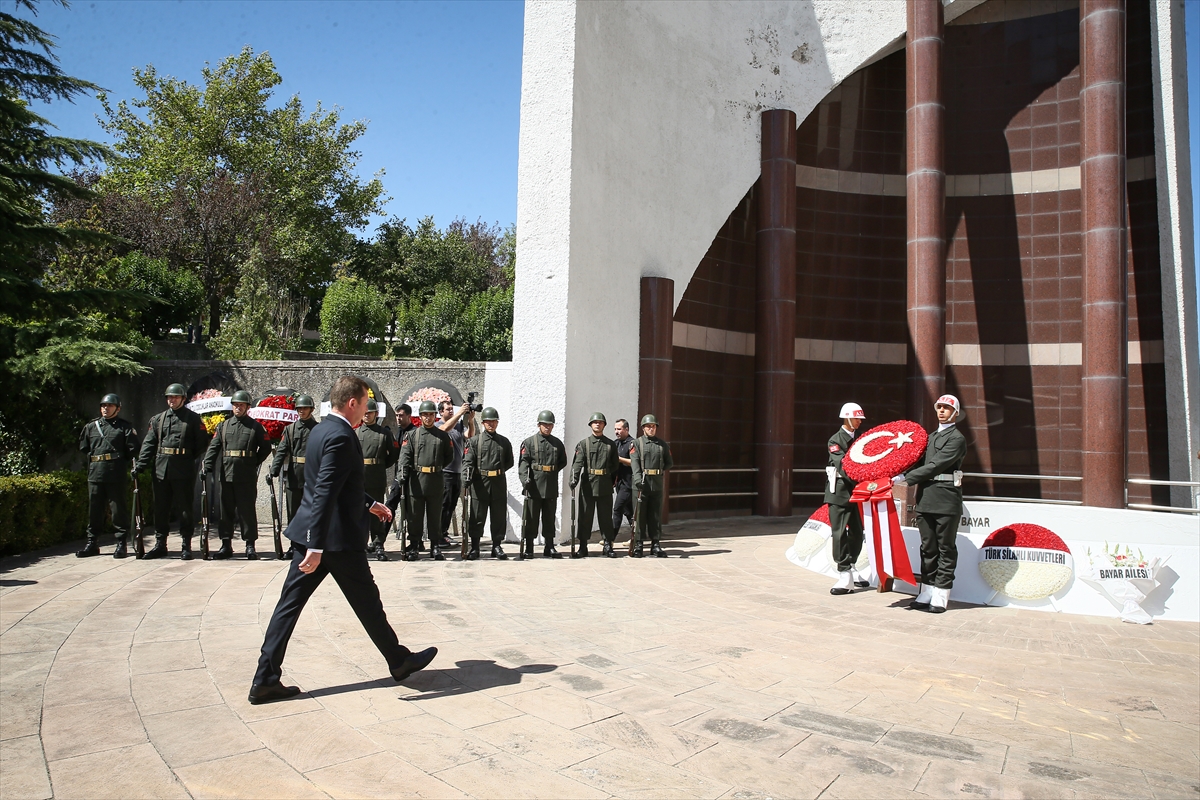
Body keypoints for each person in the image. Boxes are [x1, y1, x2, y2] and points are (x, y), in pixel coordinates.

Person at [249, 375, 437, 705]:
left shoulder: (322, 430)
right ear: (352, 403)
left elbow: (336, 481)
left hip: (316, 537)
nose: (367, 409)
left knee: (288, 608)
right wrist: (316, 546)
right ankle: (398, 660)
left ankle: (265, 678)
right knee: (368, 603)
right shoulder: (340, 436)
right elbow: (324, 492)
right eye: (365, 404)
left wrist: (368, 502)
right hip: (333, 542)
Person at [895, 394, 968, 614]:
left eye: (947, 408)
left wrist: (906, 478)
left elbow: (937, 465)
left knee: (945, 547)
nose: (942, 411)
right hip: (926, 498)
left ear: (955, 413)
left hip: (946, 499)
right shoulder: (929, 437)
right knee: (928, 548)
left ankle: (942, 592)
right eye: (939, 407)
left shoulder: (957, 438)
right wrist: (896, 469)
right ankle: (926, 590)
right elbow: (915, 460)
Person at [135, 383, 209, 560]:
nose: (172, 400)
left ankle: (186, 544)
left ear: (183, 399)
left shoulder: (193, 419)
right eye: (169, 397)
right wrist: (140, 465)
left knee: (185, 508)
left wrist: (187, 458)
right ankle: (161, 544)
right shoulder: (158, 419)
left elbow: (201, 443)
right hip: (161, 469)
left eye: (175, 397)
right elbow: (149, 444)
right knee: (160, 508)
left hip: (183, 468)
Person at [202, 390, 271, 560]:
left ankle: (250, 545)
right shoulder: (223, 426)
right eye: (235, 405)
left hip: (246, 475)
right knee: (225, 512)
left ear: (247, 407)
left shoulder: (255, 427)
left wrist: (253, 462)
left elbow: (266, 448)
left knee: (247, 511)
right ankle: (226, 544)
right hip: (226, 474)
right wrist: (207, 466)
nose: (238, 408)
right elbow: (214, 448)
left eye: (241, 405)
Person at [76, 393, 139, 558]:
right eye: (103, 406)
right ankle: (92, 543)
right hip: (95, 472)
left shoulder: (124, 427)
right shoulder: (91, 427)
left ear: (117, 409)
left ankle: (121, 543)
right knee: (94, 510)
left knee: (118, 510)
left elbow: (132, 449)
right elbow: (84, 447)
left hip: (115, 473)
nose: (106, 408)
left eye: (109, 406)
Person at [397, 401, 454, 560]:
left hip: (435, 479)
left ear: (435, 416)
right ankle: (414, 545)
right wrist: (402, 475)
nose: (428, 418)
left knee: (435, 515)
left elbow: (449, 456)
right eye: (425, 415)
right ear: (420, 416)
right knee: (415, 515)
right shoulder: (413, 435)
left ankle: (435, 546)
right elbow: (404, 458)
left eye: (430, 414)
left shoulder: (442, 436)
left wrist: (436, 467)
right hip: (417, 480)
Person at [826, 402, 871, 595]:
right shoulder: (835, 440)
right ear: (846, 417)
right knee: (839, 533)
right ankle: (843, 572)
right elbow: (845, 466)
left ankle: (851, 564)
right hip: (840, 492)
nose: (859, 422)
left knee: (856, 531)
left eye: (861, 419)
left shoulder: (862, 439)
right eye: (856, 418)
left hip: (857, 492)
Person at [462, 407, 515, 560]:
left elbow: (509, 462)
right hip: (480, 484)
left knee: (498, 516)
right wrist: (466, 478)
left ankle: (497, 545)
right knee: (477, 516)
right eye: (488, 421)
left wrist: (497, 471)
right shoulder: (474, 442)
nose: (491, 424)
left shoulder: (504, 442)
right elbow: (468, 462)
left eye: (493, 421)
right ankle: (475, 546)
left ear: (497, 422)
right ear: (483, 422)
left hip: (498, 482)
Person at [517, 410, 567, 558]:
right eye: (545, 425)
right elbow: (523, 463)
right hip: (534, 486)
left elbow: (562, 461)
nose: (547, 427)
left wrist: (551, 471)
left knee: (549, 517)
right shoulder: (529, 442)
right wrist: (524, 479)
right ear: (539, 425)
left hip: (550, 484)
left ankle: (549, 546)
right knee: (531, 517)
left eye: (550, 425)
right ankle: (530, 547)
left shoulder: (557, 443)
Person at [568, 412, 619, 558]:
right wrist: (573, 479)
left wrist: (611, 483)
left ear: (604, 425)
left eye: (600, 422)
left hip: (604, 485)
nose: (597, 424)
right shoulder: (583, 444)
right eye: (595, 422)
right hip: (588, 485)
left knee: (605, 517)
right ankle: (583, 546)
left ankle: (608, 545)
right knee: (585, 516)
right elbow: (577, 464)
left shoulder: (610, 444)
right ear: (590, 425)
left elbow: (615, 466)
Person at [358, 399, 399, 561]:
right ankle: (360, 543)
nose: (367, 416)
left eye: (370, 413)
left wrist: (381, 466)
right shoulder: (356, 433)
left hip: (376, 476)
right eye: (365, 413)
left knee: (377, 512)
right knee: (359, 512)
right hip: (360, 477)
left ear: (376, 414)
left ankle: (378, 542)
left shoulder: (385, 433)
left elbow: (393, 455)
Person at [629, 414, 673, 558]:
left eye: (653, 426)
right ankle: (639, 544)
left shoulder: (662, 445)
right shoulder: (637, 444)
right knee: (640, 516)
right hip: (641, 484)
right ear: (643, 428)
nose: (651, 428)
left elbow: (669, 463)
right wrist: (637, 480)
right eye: (648, 426)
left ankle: (655, 544)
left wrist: (657, 472)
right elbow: (635, 464)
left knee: (655, 515)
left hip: (657, 484)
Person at [269, 395, 318, 524]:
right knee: (293, 511)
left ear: (311, 409)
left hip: (312, 474)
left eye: (305, 408)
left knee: (311, 511)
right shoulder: (290, 429)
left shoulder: (318, 429)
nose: (301, 411)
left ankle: (309, 541)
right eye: (299, 408)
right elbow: (281, 451)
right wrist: (273, 471)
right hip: (294, 476)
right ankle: (295, 543)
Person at [437, 400, 476, 548]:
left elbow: (470, 435)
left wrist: (470, 421)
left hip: (457, 471)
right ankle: (438, 535)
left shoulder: (459, 425)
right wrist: (460, 413)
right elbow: (444, 429)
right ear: (441, 412)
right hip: (445, 472)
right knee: (444, 504)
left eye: (452, 409)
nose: (451, 411)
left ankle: (444, 533)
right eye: (448, 410)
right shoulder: (437, 425)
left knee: (451, 504)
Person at [609, 418, 635, 556]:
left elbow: (633, 462)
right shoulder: (615, 444)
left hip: (629, 484)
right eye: (615, 429)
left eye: (619, 429)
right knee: (629, 512)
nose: (616, 432)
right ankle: (636, 538)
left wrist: (618, 459)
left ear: (626, 429)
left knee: (617, 509)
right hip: (619, 483)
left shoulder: (632, 443)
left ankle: (610, 539)